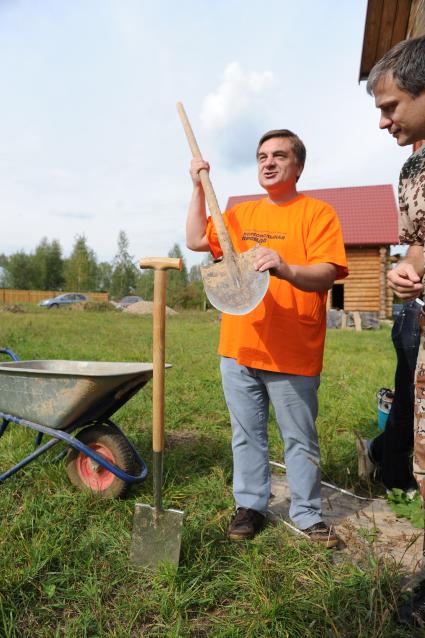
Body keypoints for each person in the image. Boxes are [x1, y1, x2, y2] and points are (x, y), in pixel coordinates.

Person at [186, 129, 348, 548]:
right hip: (240, 347)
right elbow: (194, 240)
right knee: (246, 434)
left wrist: (285, 266)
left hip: (293, 350)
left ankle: (308, 513)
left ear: (299, 166)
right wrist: (197, 189)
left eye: (279, 155)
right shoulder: (238, 215)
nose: (268, 162)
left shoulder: (317, 214)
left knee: (299, 437)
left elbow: (327, 273)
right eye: (261, 156)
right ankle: (251, 506)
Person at [366, 35, 425, 627]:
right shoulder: (411, 169)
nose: (384, 122)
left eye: (392, 107)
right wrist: (409, 269)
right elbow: (421, 242)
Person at [357, 300, 419, 493]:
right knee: (411, 407)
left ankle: (374, 450)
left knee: (411, 408)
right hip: (418, 321)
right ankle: (396, 482)